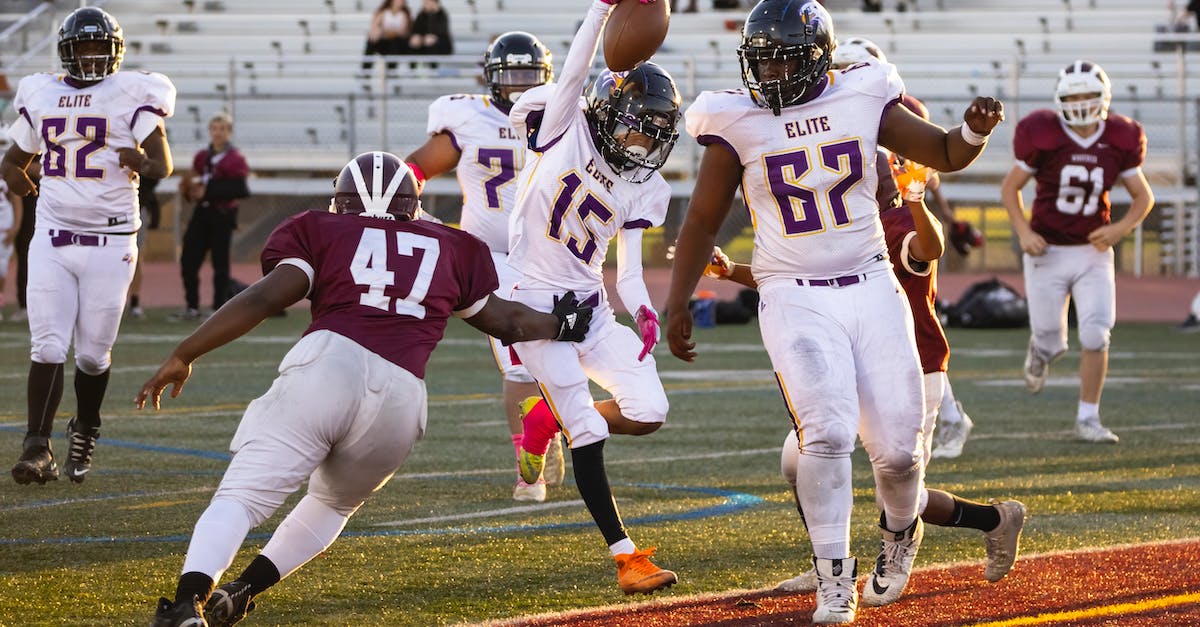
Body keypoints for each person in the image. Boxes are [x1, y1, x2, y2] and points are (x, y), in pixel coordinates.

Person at [142, 151, 593, 626]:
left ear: (341, 201)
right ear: (413, 204)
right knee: (333, 505)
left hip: (328, 367)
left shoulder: (320, 228)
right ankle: (245, 589)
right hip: (402, 398)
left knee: (242, 497)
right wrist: (561, 323)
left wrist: (185, 352)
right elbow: (508, 321)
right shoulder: (452, 246)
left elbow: (264, 296)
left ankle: (186, 604)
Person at [665, 0, 1003, 622]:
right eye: (758, 62)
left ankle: (901, 535)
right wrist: (676, 298)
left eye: (780, 61)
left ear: (816, 57)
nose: (766, 76)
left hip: (872, 283)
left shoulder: (862, 94)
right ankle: (833, 578)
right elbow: (703, 219)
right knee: (823, 432)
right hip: (792, 289)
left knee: (900, 456)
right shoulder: (734, 119)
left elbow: (946, 153)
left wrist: (976, 131)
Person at [505, 0, 683, 596]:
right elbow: (579, 69)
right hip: (533, 304)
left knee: (649, 409)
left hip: (591, 309)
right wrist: (602, 9)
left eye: (656, 135)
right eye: (638, 126)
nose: (643, 143)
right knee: (588, 426)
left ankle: (544, 419)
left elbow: (627, 274)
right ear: (611, 113)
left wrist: (647, 310)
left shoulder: (643, 187)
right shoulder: (566, 126)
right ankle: (627, 558)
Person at [2, 6, 175, 486]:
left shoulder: (131, 93)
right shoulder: (44, 92)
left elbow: (163, 166)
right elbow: (12, 161)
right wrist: (23, 183)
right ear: (68, 50)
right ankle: (37, 448)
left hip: (111, 239)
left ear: (115, 52)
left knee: (93, 356)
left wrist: (138, 157)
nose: (93, 56)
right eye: (85, 47)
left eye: (101, 47)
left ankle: (86, 427)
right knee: (48, 345)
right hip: (54, 236)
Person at [404, 31, 561, 502]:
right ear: (491, 78)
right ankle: (527, 469)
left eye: (527, 77)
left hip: (553, 255)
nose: (517, 86)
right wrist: (427, 221)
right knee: (518, 365)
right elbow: (413, 169)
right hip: (492, 260)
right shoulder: (467, 120)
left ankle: (548, 429)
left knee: (568, 353)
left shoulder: (561, 114)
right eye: (509, 76)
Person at [831, 36, 976, 459]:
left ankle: (945, 414)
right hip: (859, 220)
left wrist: (932, 211)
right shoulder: (825, 109)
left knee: (913, 309)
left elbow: (926, 172)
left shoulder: (903, 111)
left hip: (899, 217)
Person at [1000, 60, 1154, 445]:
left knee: (1096, 334)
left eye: (1088, 95)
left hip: (1091, 250)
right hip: (1047, 249)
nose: (1082, 103)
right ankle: (1041, 350)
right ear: (1060, 100)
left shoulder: (1120, 136)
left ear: (1103, 99)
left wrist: (1119, 228)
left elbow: (1143, 198)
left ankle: (1089, 417)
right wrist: (1024, 231)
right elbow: (1010, 188)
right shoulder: (1042, 133)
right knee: (1053, 340)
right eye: (1073, 96)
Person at [173, 113, 250, 321]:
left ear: (229, 132)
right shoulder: (201, 157)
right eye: (214, 128)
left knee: (220, 263)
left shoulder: (235, 158)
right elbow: (196, 182)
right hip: (202, 213)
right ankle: (191, 306)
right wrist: (189, 191)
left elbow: (241, 188)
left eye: (222, 128)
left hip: (223, 214)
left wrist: (209, 191)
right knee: (188, 259)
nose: (218, 132)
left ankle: (217, 308)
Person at [8, 159, 39, 323]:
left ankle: (27, 305)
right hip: (11, 199)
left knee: (28, 253)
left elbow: (43, 167)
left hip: (35, 204)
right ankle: (23, 304)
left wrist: (21, 168)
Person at [128, 175, 162, 321]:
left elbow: (158, 171)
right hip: (104, 210)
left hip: (134, 207)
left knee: (134, 256)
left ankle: (134, 302)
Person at [361, 0, 412, 72]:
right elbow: (374, 28)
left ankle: (391, 71)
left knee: (396, 42)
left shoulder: (404, 14)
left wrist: (386, 32)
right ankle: (365, 71)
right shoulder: (383, 12)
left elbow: (403, 31)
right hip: (384, 43)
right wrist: (385, 32)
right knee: (371, 41)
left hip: (397, 45)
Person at [0, 175, 22, 320]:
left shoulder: (6, 163)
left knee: (1, 268)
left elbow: (16, 197)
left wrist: (15, 227)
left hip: (3, 221)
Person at [408, 0, 453, 66]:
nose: (425, 4)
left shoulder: (441, 14)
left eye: (427, 2)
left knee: (431, 43)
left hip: (441, 44)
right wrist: (418, 37)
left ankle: (433, 70)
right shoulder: (421, 14)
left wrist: (433, 14)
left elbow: (441, 32)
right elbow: (416, 30)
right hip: (424, 42)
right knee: (414, 42)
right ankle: (412, 69)